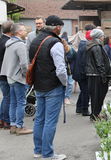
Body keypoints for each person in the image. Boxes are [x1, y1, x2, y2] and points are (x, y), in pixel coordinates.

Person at [29, 15, 67, 160]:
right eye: (60, 27)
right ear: (57, 27)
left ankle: (38, 151)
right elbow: (61, 70)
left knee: (40, 119)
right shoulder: (55, 43)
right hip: (53, 86)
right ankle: (48, 154)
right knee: (50, 121)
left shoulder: (35, 40)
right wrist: (65, 83)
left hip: (38, 84)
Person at [1, 23, 32, 135]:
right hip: (18, 78)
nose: (26, 32)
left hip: (10, 77)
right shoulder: (20, 45)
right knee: (21, 102)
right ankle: (20, 126)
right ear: (18, 32)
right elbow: (24, 64)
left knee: (13, 102)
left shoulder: (9, 43)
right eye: (24, 30)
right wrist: (26, 75)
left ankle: (13, 126)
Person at [85, 29, 111, 121]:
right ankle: (95, 114)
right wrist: (104, 76)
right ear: (98, 37)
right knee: (98, 96)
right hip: (97, 75)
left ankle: (95, 114)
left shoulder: (92, 45)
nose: (103, 37)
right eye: (102, 36)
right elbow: (99, 62)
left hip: (94, 74)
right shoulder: (96, 47)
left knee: (95, 96)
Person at [73, 24, 96, 116]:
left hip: (79, 72)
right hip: (83, 73)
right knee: (86, 91)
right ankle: (84, 109)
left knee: (84, 90)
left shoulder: (82, 44)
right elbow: (84, 62)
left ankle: (79, 107)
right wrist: (87, 73)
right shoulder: (86, 46)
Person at [0, 20, 13, 129]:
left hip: (1, 73)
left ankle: (1, 119)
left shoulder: (1, 40)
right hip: (5, 74)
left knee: (5, 97)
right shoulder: (8, 43)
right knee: (8, 97)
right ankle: (6, 121)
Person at [62, 40, 76, 105]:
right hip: (62, 70)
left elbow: (76, 58)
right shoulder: (59, 50)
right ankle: (63, 97)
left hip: (70, 70)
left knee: (70, 84)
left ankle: (67, 97)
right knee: (63, 84)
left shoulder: (71, 50)